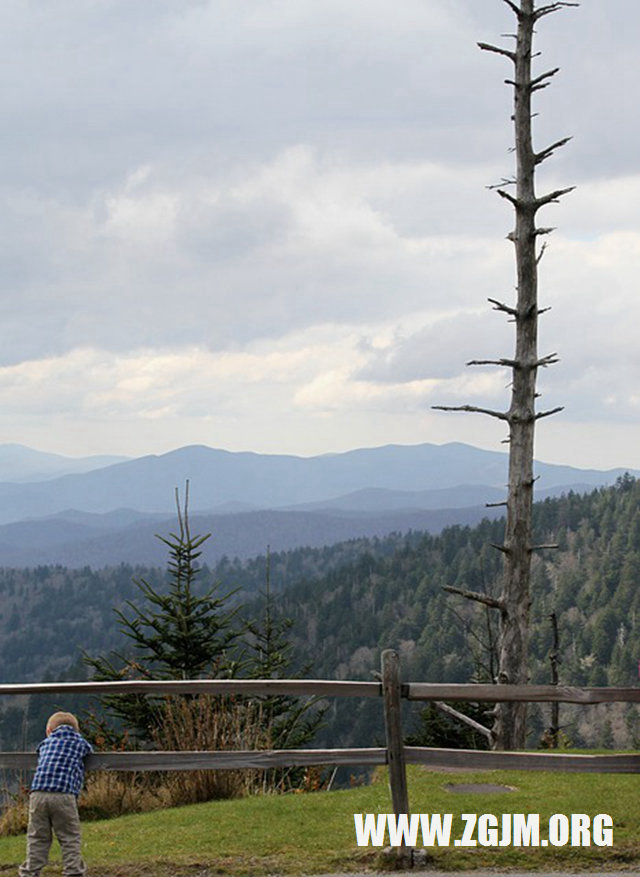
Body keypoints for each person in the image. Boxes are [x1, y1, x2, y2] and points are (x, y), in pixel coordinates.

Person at [19, 711, 93, 877]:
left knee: (37, 836)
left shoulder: (46, 743)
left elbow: (40, 752)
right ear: (77, 731)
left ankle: (30, 872)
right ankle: (73, 871)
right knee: (69, 836)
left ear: (48, 731)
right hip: (63, 795)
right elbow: (89, 751)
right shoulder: (79, 742)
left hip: (37, 794)